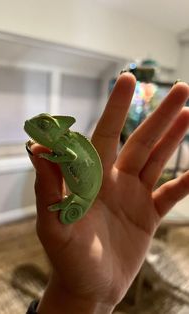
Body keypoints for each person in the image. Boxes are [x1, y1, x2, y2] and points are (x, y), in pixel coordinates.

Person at [26, 72, 189, 314]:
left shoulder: (66, 143)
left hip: (87, 187)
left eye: (45, 125)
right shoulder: (62, 142)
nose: (37, 129)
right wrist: (78, 296)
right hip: (86, 191)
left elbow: (71, 156)